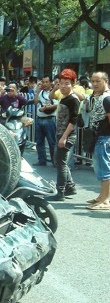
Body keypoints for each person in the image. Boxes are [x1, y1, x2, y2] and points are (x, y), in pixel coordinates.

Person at [46, 69, 79, 202]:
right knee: (60, 161)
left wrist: (64, 137)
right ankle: (70, 186)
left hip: (67, 135)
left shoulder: (73, 99)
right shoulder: (63, 96)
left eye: (67, 83)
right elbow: (51, 96)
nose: (63, 86)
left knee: (60, 163)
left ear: (73, 83)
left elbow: (73, 120)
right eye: (61, 83)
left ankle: (61, 191)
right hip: (60, 133)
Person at [85, 71, 110, 210]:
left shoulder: (107, 98)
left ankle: (105, 200)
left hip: (104, 137)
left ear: (105, 81)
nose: (94, 84)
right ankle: (102, 196)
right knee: (101, 168)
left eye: (98, 81)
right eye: (92, 81)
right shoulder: (98, 97)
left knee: (104, 170)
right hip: (98, 137)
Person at [33, 75, 58, 166]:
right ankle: (42, 160)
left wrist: (46, 108)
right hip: (40, 118)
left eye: (46, 82)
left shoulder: (54, 92)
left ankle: (54, 161)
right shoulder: (41, 92)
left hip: (49, 119)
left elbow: (56, 105)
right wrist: (37, 91)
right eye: (43, 82)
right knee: (39, 141)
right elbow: (35, 102)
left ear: (51, 82)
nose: (44, 84)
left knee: (52, 142)